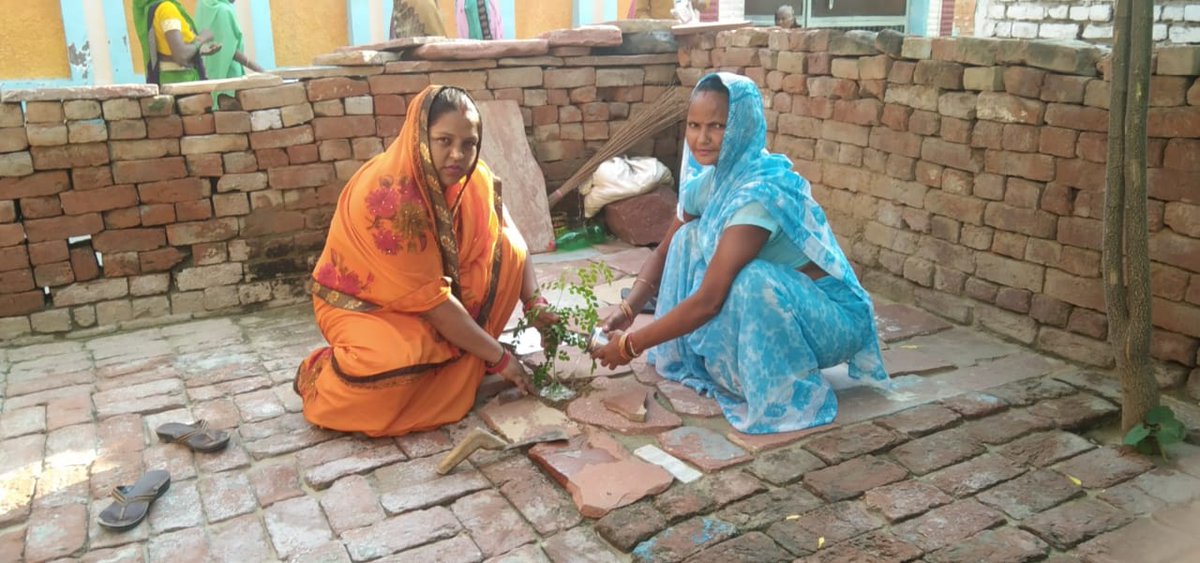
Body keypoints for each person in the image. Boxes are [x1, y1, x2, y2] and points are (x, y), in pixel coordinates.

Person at [591, 73, 887, 434]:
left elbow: (709, 301)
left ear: (742, 125)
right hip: (793, 310)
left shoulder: (759, 193)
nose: (703, 138)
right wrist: (627, 311)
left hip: (835, 322)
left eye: (717, 126)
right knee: (688, 238)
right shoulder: (713, 183)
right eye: (695, 125)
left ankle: (782, 391)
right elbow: (665, 252)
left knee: (751, 279)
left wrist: (631, 345)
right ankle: (722, 362)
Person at [294, 85, 554, 437]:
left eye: (469, 144)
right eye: (444, 140)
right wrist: (501, 358)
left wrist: (535, 304)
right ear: (419, 136)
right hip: (363, 305)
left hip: (429, 298)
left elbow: (514, 237)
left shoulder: (471, 178)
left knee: (503, 248)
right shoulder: (392, 199)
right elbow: (436, 307)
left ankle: (470, 358)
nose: (457, 155)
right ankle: (321, 373)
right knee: (395, 369)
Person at [195, 0, 264, 109]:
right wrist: (262, 71)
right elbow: (229, 49)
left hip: (207, 78)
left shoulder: (204, 6)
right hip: (228, 79)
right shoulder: (223, 10)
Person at [133, 0, 221, 85]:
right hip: (182, 83)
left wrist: (199, 50)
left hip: (166, 80)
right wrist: (202, 39)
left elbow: (165, 47)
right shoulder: (166, 9)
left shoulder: (148, 6)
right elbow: (181, 56)